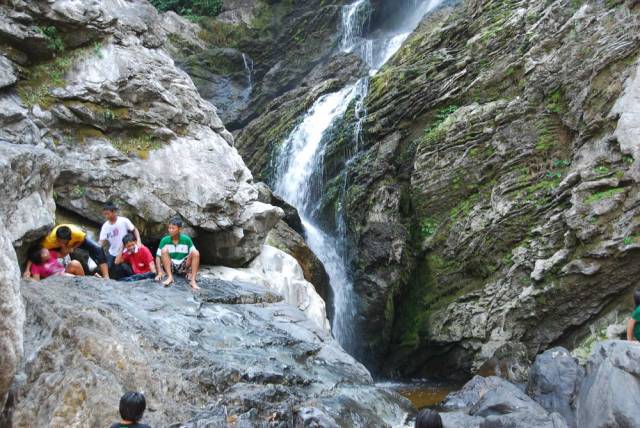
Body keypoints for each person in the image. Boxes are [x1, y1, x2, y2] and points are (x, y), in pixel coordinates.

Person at [23, 224, 109, 279]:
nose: (47, 250)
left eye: (63, 242)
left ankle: (93, 281)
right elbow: (32, 258)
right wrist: (27, 271)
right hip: (57, 280)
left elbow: (63, 253)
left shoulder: (76, 234)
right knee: (64, 276)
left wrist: (71, 248)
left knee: (75, 262)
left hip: (64, 273)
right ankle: (89, 282)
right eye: (43, 252)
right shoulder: (49, 243)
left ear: (68, 239)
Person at [155, 217, 200, 290]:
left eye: (173, 228)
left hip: (183, 266)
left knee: (196, 252)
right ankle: (170, 277)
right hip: (171, 265)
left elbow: (195, 256)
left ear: (180, 229)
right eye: (169, 228)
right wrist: (160, 272)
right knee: (164, 250)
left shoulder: (186, 239)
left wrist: (191, 271)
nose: (170, 230)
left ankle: (193, 281)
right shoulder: (164, 240)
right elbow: (158, 257)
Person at [99, 202, 141, 280]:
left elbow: (134, 229)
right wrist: (96, 249)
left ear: (114, 212)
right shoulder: (105, 226)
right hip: (112, 252)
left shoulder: (123, 221)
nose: (106, 216)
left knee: (126, 268)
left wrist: (138, 241)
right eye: (105, 214)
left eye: (107, 214)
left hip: (125, 250)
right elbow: (101, 241)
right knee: (108, 267)